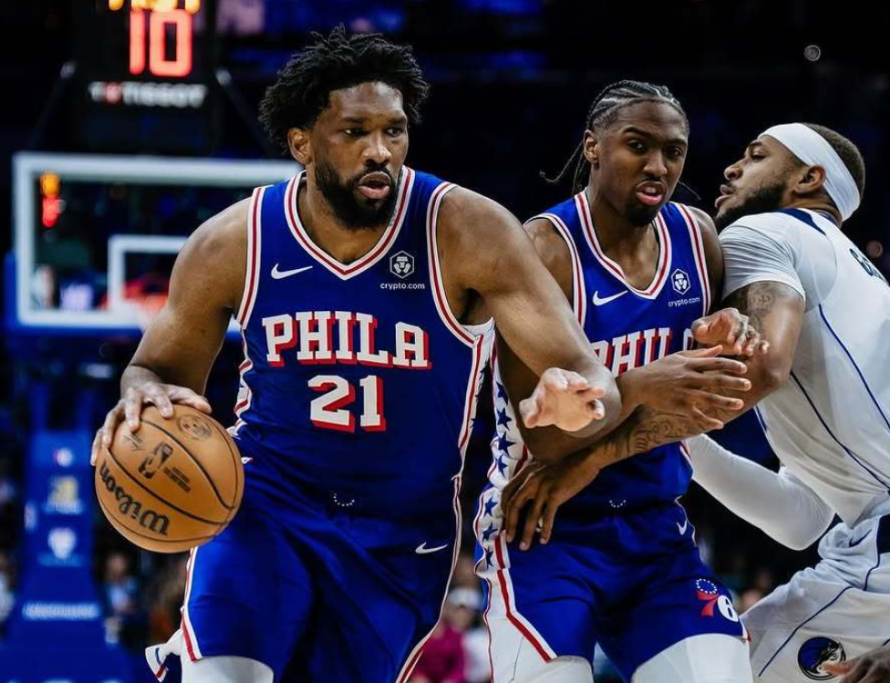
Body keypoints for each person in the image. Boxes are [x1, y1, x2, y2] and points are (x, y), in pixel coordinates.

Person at [91, 27, 626, 683]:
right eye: (354, 132)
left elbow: (593, 377)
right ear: (302, 144)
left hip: (399, 534)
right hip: (267, 505)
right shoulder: (233, 243)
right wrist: (141, 391)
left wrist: (579, 403)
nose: (380, 151)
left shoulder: (468, 231)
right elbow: (156, 369)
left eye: (394, 131)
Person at [506, 121, 887, 683]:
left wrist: (593, 457)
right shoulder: (853, 279)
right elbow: (801, 519)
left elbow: (759, 369)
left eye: (756, 155)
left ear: (809, 179)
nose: (732, 168)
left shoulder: (764, 231)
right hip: (868, 547)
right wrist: (686, 441)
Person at [481, 81, 760, 683]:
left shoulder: (697, 238)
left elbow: (712, 399)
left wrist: (729, 330)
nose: (658, 165)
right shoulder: (545, 249)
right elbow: (549, 442)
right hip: (544, 530)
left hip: (655, 527)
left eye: (673, 151)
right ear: (593, 147)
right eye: (638, 145)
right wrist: (639, 384)